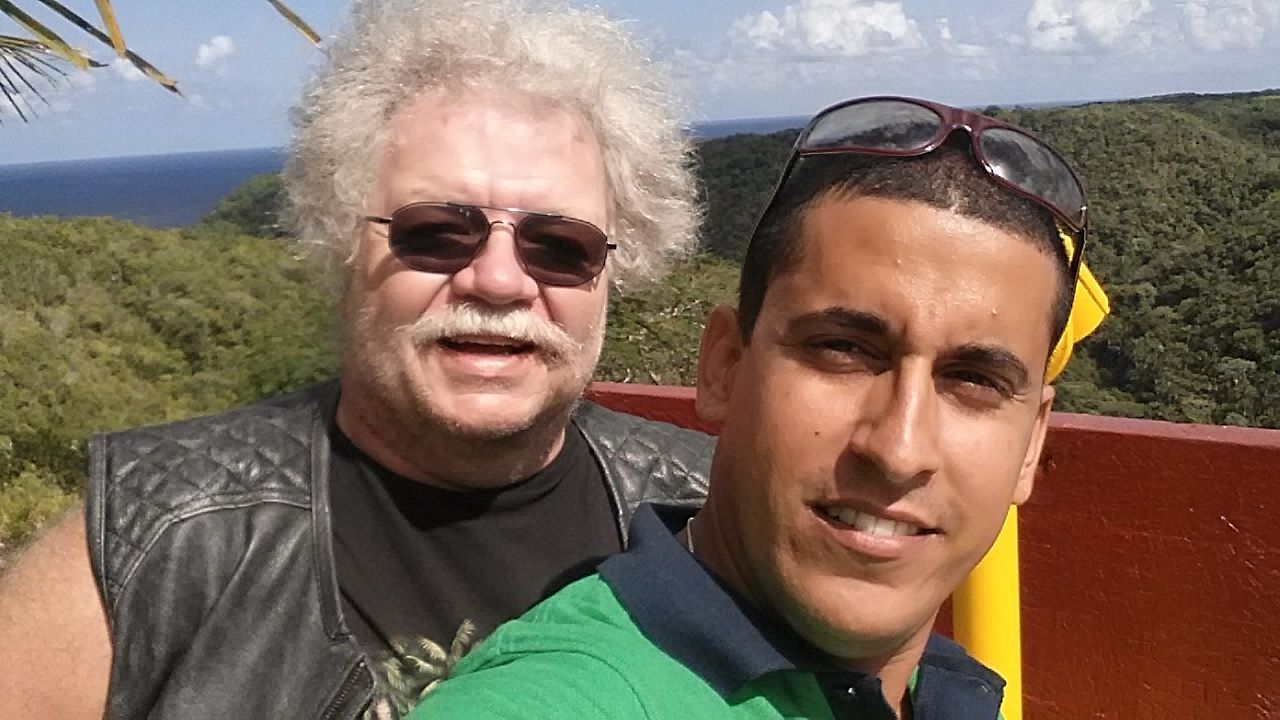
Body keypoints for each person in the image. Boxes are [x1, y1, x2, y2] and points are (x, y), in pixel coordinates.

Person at [0, 1, 714, 718]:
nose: (499, 281)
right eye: (436, 233)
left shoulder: (710, 509)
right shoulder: (149, 539)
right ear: (341, 249)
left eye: (561, 246)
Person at [407, 97, 1110, 719]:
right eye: (843, 349)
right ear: (725, 367)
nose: (899, 450)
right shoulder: (564, 697)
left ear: (1031, 443)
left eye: (975, 380)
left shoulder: (942, 689)